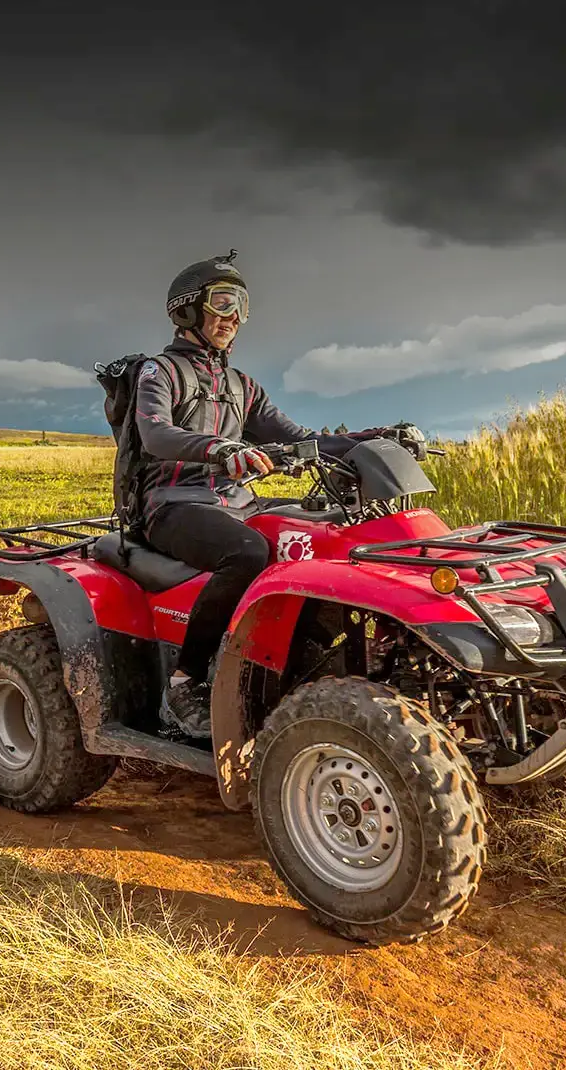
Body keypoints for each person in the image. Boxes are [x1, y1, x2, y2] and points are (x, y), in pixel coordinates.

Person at [131, 252, 402, 734]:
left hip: (236, 503)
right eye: (223, 302)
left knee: (325, 532)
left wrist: (374, 437)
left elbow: (300, 439)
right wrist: (219, 449)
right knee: (247, 551)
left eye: (242, 307)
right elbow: (156, 435)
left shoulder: (241, 386)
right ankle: (184, 683)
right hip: (174, 505)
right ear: (189, 309)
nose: (233, 317)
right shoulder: (161, 372)